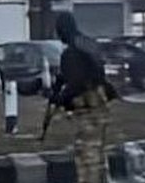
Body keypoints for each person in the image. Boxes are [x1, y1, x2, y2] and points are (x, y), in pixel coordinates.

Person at [50, 12, 118, 183]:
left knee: (87, 158)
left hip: (88, 108)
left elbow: (75, 84)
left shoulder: (71, 53)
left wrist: (60, 99)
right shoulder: (88, 43)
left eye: (59, 32)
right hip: (100, 105)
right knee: (97, 154)